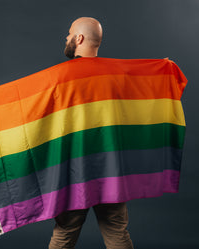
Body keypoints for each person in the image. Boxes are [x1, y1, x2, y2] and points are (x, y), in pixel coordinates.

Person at [48, 17, 134, 249]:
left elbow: (27, 101)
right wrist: (164, 69)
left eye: (69, 34)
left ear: (79, 38)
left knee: (65, 231)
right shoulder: (118, 74)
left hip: (75, 171)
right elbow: (146, 86)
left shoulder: (59, 77)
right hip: (110, 170)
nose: (66, 38)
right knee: (117, 231)